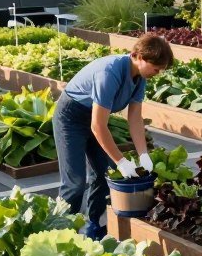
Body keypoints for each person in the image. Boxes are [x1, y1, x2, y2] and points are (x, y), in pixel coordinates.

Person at [53, 33, 174, 239]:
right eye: (156, 68)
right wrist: (121, 161)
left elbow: (135, 118)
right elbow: (98, 125)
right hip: (71, 118)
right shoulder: (109, 73)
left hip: (93, 117)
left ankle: (93, 225)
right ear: (138, 56)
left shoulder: (140, 78)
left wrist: (143, 154)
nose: (158, 72)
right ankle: (60, 234)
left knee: (103, 174)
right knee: (75, 183)